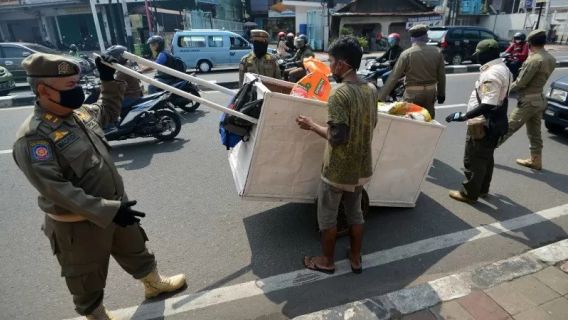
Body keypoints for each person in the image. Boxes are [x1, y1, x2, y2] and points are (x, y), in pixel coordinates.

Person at [12, 53, 186, 320]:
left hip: (115, 208)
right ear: (44, 90)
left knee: (135, 247)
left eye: (78, 82)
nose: (78, 90)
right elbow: (55, 189)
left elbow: (108, 110)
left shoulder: (78, 114)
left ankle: (153, 283)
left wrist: (107, 79)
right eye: (70, 86)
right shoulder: (35, 136)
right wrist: (108, 210)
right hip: (78, 223)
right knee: (86, 275)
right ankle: (96, 315)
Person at [296, 36, 378, 275]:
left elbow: (337, 137)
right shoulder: (371, 89)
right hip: (362, 167)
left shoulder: (339, 94)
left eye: (331, 61)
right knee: (355, 213)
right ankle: (355, 257)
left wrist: (311, 125)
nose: (330, 66)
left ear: (342, 64)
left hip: (337, 171)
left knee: (328, 218)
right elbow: (371, 124)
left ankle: (327, 261)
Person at [445, 39, 512, 204]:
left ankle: (469, 194)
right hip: (496, 121)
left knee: (474, 159)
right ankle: (482, 189)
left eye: (479, 54)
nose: (477, 57)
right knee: (486, 158)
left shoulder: (492, 73)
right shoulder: (503, 69)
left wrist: (464, 116)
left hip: (483, 123)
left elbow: (489, 102)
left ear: (487, 54)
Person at [498, 29, 556, 170]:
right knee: (535, 133)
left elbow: (521, 82)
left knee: (507, 128)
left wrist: (503, 91)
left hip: (528, 101)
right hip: (539, 99)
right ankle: (536, 160)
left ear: (529, 43)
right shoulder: (550, 58)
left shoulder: (534, 59)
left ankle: (483, 153)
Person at [378, 24, 446, 119]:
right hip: (430, 92)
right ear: (426, 37)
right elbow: (441, 76)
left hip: (412, 94)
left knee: (411, 123)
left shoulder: (406, 54)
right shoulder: (437, 52)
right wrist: (441, 94)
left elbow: (394, 77)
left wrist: (381, 97)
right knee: (429, 121)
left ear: (412, 38)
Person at [105, 45, 143, 111]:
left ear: (118, 57)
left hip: (131, 97)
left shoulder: (122, 71)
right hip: (136, 94)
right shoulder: (127, 65)